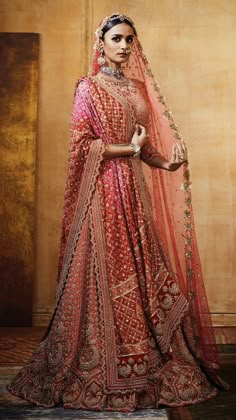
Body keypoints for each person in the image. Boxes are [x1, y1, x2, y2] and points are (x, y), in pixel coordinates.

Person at [7, 13, 228, 412]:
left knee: (142, 268)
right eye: (116, 39)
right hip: (103, 194)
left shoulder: (139, 89)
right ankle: (100, 358)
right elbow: (81, 146)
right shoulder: (88, 89)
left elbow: (145, 148)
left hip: (135, 194)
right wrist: (128, 149)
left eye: (129, 39)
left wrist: (169, 164)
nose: (124, 46)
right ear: (101, 43)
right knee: (108, 269)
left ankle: (143, 355)